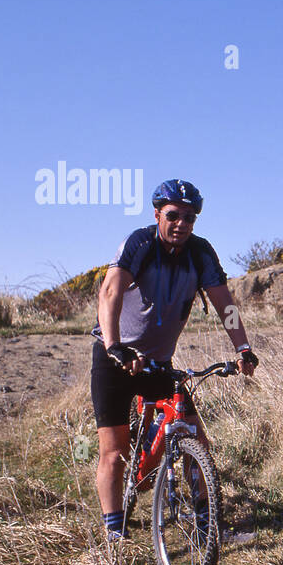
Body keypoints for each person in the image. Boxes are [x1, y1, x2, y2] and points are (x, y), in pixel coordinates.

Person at [91, 179, 258, 541]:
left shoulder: (200, 253)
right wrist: (113, 345)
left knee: (197, 437)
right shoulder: (140, 243)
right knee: (114, 452)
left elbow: (224, 306)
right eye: (173, 215)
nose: (181, 223)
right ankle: (115, 536)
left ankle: (206, 528)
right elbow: (110, 292)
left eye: (189, 217)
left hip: (158, 362)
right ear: (157, 214)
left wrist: (243, 348)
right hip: (116, 357)